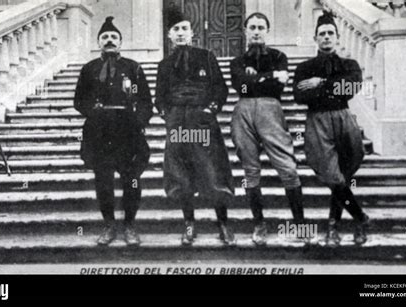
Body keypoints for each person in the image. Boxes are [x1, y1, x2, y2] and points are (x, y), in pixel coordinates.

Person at [155, 7, 236, 246]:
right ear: (169, 36)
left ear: (192, 33)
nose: (180, 33)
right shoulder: (164, 65)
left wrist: (210, 109)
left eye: (184, 29)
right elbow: (159, 98)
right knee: (181, 174)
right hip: (178, 122)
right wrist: (168, 117)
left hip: (202, 122)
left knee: (213, 170)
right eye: (175, 30)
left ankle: (223, 223)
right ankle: (189, 224)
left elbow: (220, 89)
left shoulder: (206, 56)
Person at [74, 17, 153, 246]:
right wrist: (93, 110)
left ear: (120, 43)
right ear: (99, 42)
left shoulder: (133, 68)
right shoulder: (89, 69)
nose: (109, 40)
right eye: (105, 37)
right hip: (99, 132)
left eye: (114, 37)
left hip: (127, 133)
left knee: (132, 180)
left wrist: (138, 121)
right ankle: (109, 225)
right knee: (103, 181)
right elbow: (79, 100)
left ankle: (129, 225)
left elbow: (145, 100)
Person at [293, 11, 369, 246]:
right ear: (315, 38)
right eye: (322, 34)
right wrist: (333, 87)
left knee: (344, 173)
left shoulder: (350, 65)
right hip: (318, 121)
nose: (326, 37)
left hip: (344, 119)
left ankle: (334, 227)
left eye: (330, 33)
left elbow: (350, 88)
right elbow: (299, 95)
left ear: (337, 38)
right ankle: (360, 217)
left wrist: (322, 83)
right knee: (333, 176)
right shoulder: (305, 68)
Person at [230, 13, 306, 246]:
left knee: (288, 167)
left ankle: (300, 225)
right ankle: (259, 224)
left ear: (267, 31)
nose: (256, 31)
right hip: (243, 112)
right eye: (251, 27)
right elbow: (240, 83)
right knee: (251, 171)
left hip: (271, 110)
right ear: (245, 31)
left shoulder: (279, 56)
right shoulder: (238, 61)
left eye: (261, 27)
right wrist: (269, 76)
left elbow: (279, 84)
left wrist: (259, 79)